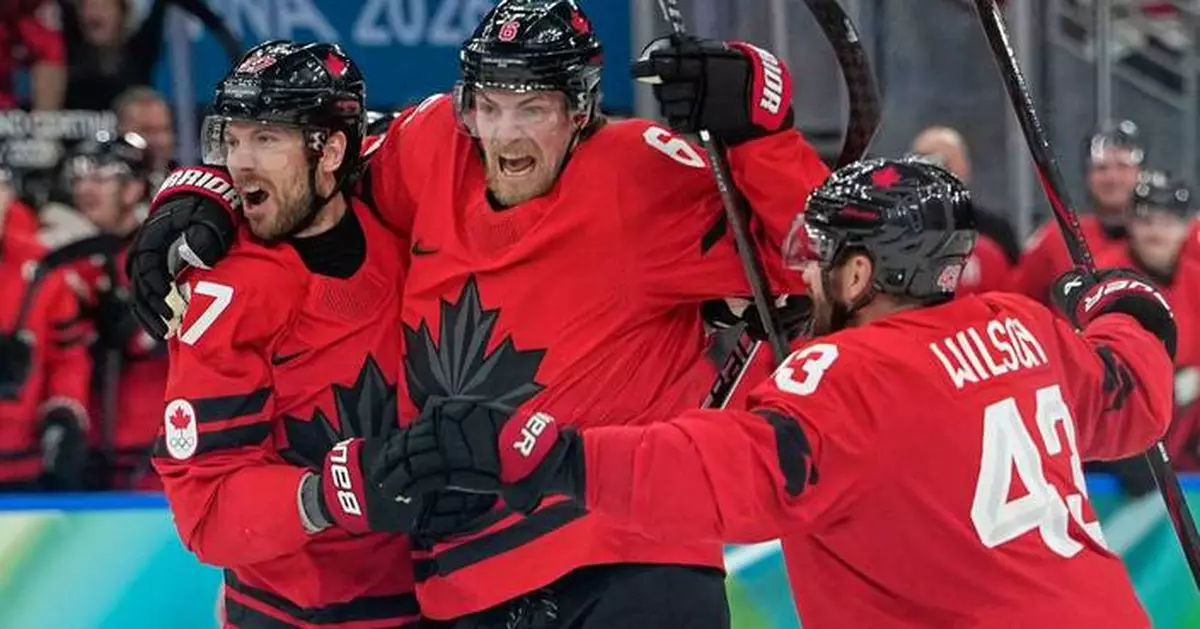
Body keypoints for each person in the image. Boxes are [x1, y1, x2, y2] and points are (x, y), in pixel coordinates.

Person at [124, 0, 829, 625]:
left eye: (533, 107)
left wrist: (761, 132)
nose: (504, 134)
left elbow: (818, 263)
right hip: (461, 588)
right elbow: (316, 166)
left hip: (626, 556)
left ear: (581, 107)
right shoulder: (430, 149)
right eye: (488, 105)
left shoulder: (643, 173)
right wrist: (203, 186)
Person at [384, 157, 1178, 628]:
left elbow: (717, 472)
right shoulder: (1022, 327)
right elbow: (1134, 395)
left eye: (822, 255)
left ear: (861, 273)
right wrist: (1126, 306)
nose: (804, 270)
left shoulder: (852, 378)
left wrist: (548, 453)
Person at [149, 41, 427, 629]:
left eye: (266, 138)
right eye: (233, 137)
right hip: (296, 617)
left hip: (434, 603)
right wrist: (324, 497)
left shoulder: (407, 232)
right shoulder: (228, 292)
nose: (239, 163)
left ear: (330, 150)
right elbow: (207, 512)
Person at [1012, 121, 1144, 304]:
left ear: (1142, 172)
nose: (1112, 178)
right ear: (1087, 176)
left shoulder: (1170, 240)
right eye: (1101, 168)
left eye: (1123, 166)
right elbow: (1017, 302)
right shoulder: (1057, 237)